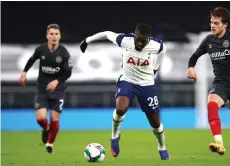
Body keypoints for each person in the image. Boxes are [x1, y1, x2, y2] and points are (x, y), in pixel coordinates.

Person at [80, 23, 170, 160]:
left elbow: (163, 51)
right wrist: (87, 40)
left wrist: (155, 69)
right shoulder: (124, 40)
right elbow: (106, 33)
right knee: (121, 108)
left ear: (148, 39)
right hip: (126, 80)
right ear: (134, 35)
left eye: (143, 41)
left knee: (155, 122)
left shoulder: (157, 46)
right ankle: (115, 136)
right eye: (138, 39)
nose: (140, 43)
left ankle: (162, 146)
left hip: (146, 84)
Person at [187, 7, 230, 159]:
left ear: (224, 25)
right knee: (211, 104)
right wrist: (191, 68)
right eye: (211, 22)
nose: (212, 26)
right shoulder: (208, 40)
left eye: (216, 23)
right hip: (221, 83)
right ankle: (219, 143)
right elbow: (194, 56)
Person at [19, 24, 73, 153]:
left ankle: (50, 144)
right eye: (51, 34)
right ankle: (46, 128)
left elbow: (68, 72)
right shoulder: (41, 49)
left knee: (55, 118)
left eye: (56, 34)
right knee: (41, 118)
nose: (54, 36)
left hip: (58, 90)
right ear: (47, 36)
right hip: (42, 89)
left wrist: (57, 81)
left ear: (59, 36)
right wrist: (24, 72)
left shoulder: (64, 52)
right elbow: (31, 60)